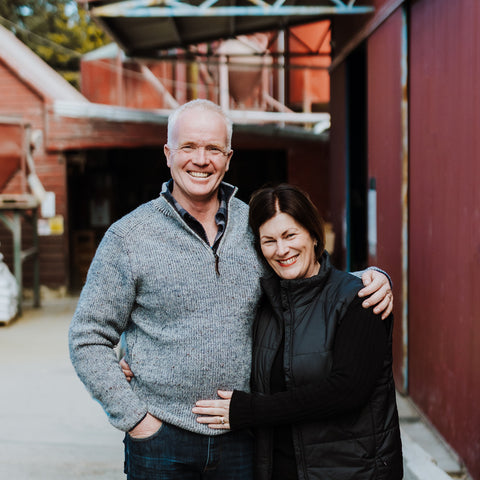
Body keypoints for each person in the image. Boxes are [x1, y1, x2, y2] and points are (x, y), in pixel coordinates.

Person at [68, 99, 394, 480]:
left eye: (213, 149)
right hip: (162, 440)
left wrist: (370, 276)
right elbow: (87, 337)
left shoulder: (252, 224)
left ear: (228, 157)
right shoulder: (128, 237)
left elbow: (301, 273)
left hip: (244, 436)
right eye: (188, 147)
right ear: (168, 154)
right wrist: (135, 419)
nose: (200, 160)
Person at [192, 184, 403, 480]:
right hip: (281, 470)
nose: (282, 250)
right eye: (269, 240)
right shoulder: (265, 307)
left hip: (351, 470)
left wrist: (251, 411)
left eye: (290, 235)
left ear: (314, 235)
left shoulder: (360, 300)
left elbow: (347, 391)